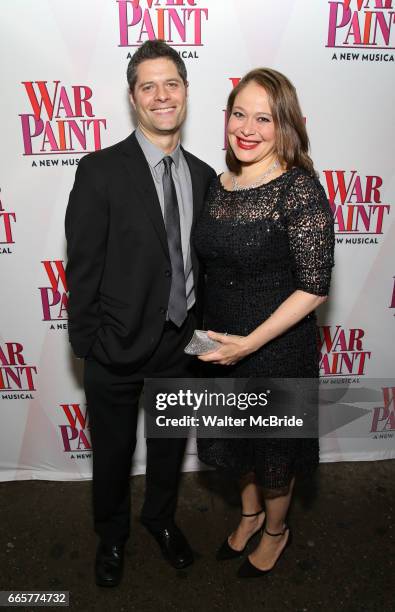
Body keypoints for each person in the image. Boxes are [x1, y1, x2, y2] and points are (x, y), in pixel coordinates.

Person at [65, 39, 216, 587]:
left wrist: (202, 338)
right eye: (147, 86)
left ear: (185, 92)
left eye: (170, 84)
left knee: (170, 446)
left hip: (181, 344)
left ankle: (160, 520)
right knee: (112, 453)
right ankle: (112, 535)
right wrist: (90, 344)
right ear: (133, 98)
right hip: (116, 347)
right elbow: (81, 266)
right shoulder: (100, 171)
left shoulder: (204, 175)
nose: (161, 95)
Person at [193, 68, 335, 578]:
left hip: (276, 347)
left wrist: (248, 344)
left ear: (286, 127)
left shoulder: (298, 191)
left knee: (274, 455)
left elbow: (315, 286)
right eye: (239, 114)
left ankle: (277, 531)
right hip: (220, 344)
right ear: (226, 117)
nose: (247, 129)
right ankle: (250, 517)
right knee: (238, 447)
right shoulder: (220, 183)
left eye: (264, 118)